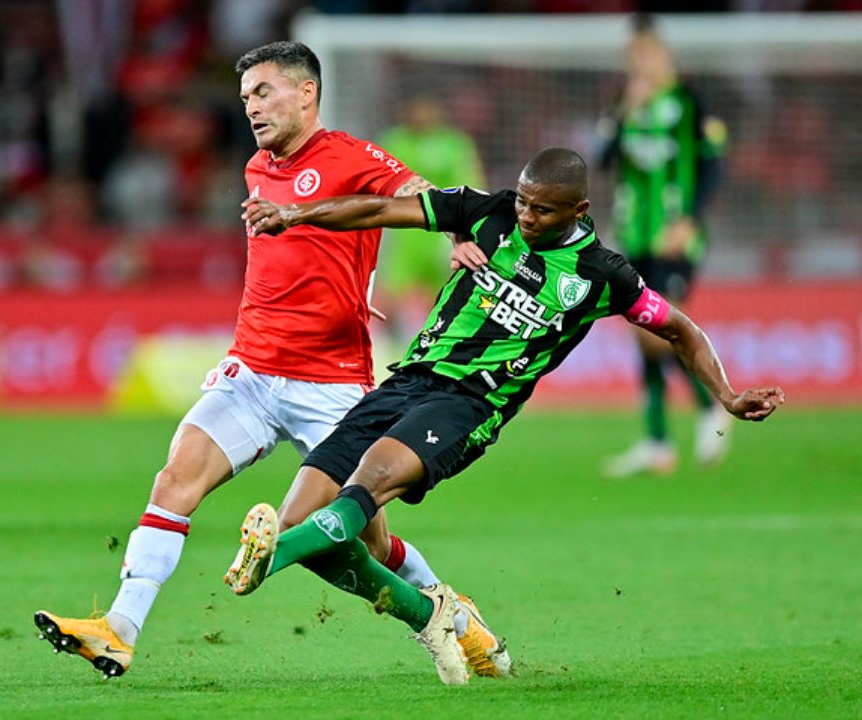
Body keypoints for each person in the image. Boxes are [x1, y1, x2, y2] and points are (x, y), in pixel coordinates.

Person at [33, 41, 511, 681]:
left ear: (306, 92)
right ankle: (119, 629)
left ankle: (450, 618)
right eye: (245, 98)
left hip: (333, 383)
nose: (252, 108)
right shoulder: (258, 167)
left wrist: (456, 233)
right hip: (253, 371)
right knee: (176, 479)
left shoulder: (350, 155)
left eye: (263, 93)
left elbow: (422, 193)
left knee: (363, 542)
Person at [228, 147, 784, 684]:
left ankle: (267, 562)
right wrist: (292, 213)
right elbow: (378, 208)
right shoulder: (487, 212)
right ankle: (433, 616)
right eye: (522, 201)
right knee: (304, 522)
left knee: (367, 481)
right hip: (407, 380)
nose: (525, 215)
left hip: (470, 404)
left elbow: (678, 329)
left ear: (578, 211)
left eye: (541, 208)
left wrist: (727, 396)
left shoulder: (602, 276)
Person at [598, 15, 730, 478]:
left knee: (657, 328)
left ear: (664, 56)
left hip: (675, 236)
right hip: (634, 234)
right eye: (632, 57)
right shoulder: (626, 103)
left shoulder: (690, 103)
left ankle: (711, 402)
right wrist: (622, 115)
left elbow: (713, 166)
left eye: (645, 54)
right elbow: (603, 159)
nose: (639, 63)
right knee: (645, 331)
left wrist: (689, 219)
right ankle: (658, 442)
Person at [376, 94, 486, 342]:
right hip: (405, 233)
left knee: (445, 292)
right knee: (392, 292)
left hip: (442, 232)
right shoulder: (395, 141)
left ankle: (440, 339)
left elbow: (470, 183)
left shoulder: (455, 144)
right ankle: (388, 343)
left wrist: (466, 223)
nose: (422, 115)